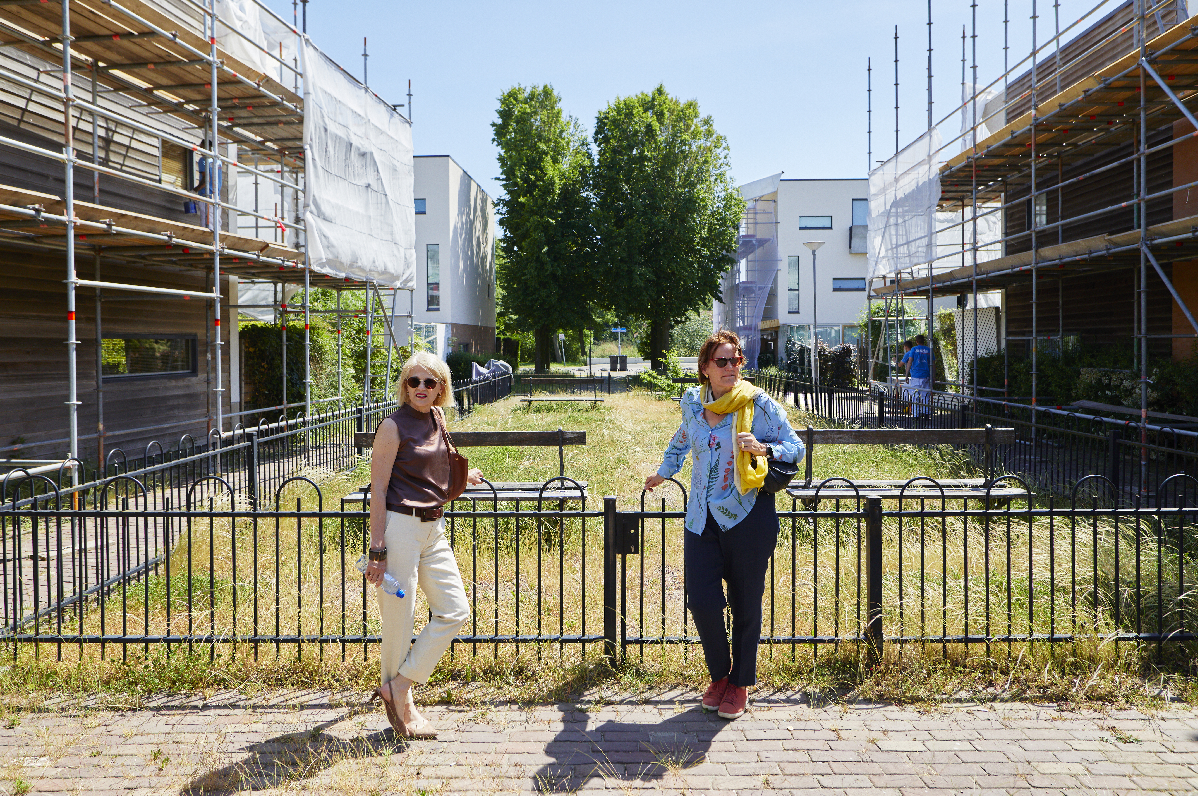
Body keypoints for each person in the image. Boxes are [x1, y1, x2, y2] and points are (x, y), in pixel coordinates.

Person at [644, 330, 804, 720]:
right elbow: (682, 439)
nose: (732, 367)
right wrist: (664, 472)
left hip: (748, 516)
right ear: (705, 369)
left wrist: (764, 448)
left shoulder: (758, 404)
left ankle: (739, 683)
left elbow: (796, 446)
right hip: (701, 518)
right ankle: (719, 675)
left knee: (745, 603)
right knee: (701, 599)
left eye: (736, 360)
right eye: (723, 361)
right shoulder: (692, 404)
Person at [364, 351, 480, 738]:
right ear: (404, 386)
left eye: (429, 382)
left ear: (441, 387)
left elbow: (436, 463)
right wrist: (377, 549)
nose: (421, 388)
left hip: (434, 527)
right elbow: (378, 489)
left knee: (455, 610)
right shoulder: (392, 427)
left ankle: (399, 684)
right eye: (414, 381)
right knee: (399, 619)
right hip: (399, 528)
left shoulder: (437, 418)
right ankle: (403, 704)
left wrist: (467, 473)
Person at [899, 334, 933, 417]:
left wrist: (906, 375)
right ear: (924, 341)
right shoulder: (929, 350)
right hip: (926, 375)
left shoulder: (914, 350)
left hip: (916, 376)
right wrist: (933, 377)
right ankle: (926, 414)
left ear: (916, 342)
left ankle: (915, 415)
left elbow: (909, 362)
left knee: (915, 396)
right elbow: (933, 364)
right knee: (925, 396)